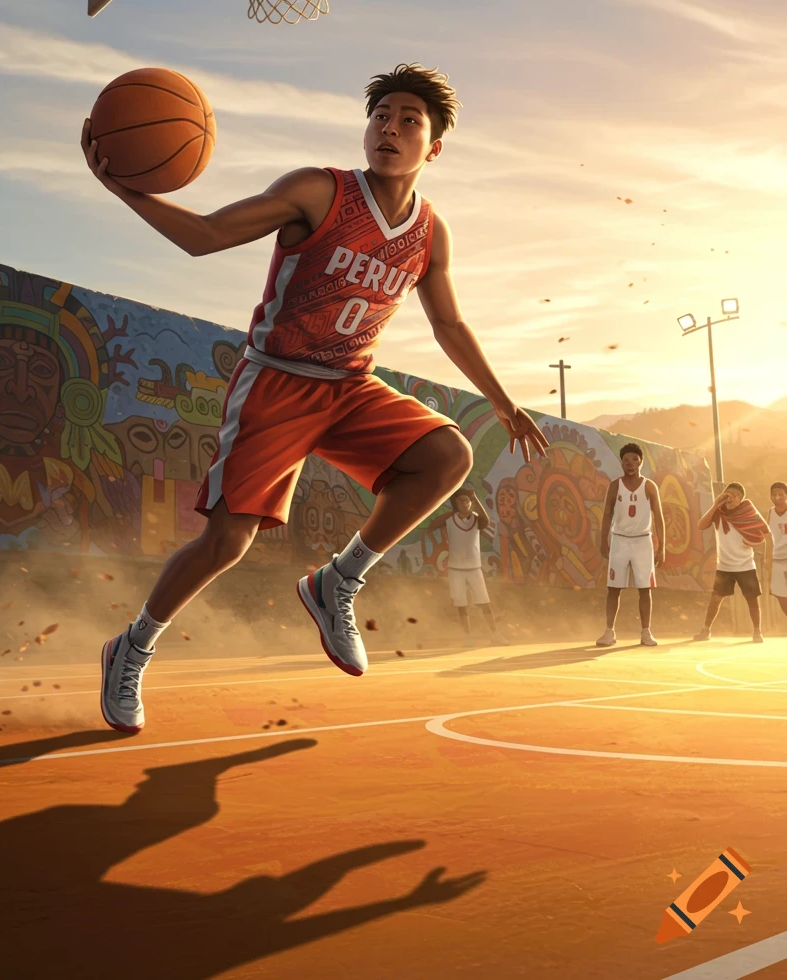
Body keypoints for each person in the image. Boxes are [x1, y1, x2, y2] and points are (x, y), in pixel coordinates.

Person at [83, 63, 548, 732]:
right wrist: (124, 188)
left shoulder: (429, 234)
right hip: (276, 380)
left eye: (408, 120)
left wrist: (503, 402)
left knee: (448, 453)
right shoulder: (317, 191)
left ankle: (339, 580)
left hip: (350, 388)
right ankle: (132, 647)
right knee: (229, 540)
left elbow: (448, 324)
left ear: (434, 147)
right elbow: (206, 236)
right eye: (380, 115)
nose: (389, 127)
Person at [596, 444, 666, 648]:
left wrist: (662, 545)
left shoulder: (649, 486)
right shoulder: (615, 485)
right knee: (613, 588)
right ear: (621, 463)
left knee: (645, 589)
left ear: (640, 462)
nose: (630, 464)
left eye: (634, 460)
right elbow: (607, 514)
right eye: (626, 460)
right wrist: (603, 540)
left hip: (643, 540)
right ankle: (609, 632)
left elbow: (659, 517)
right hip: (619, 540)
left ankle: (646, 632)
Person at [427, 488, 507, 643]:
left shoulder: (477, 519)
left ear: (471, 503)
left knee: (484, 602)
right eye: (461, 501)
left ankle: (495, 634)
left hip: (474, 568)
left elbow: (487, 521)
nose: (464, 503)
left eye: (466, 501)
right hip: (455, 569)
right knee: (461, 604)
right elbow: (431, 526)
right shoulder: (450, 519)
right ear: (455, 503)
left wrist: (475, 497)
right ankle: (468, 637)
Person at [693, 482, 769, 643]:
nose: (731, 497)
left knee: (752, 599)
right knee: (716, 598)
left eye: (735, 495)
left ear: (741, 499)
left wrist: (753, 543)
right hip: (724, 565)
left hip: (746, 564)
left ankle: (757, 631)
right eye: (728, 493)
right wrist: (716, 504)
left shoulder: (748, 512)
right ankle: (706, 630)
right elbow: (701, 525)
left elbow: (763, 535)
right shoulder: (718, 512)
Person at [768, 481, 787, 624]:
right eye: (774, 494)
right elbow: (768, 538)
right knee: (780, 595)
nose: (777, 497)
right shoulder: (770, 513)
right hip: (777, 559)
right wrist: (767, 560)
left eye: (780, 494)